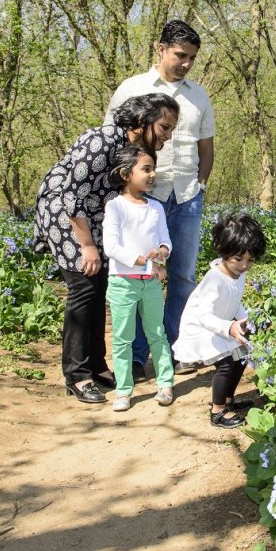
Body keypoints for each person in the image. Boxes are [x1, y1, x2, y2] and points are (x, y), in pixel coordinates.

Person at [34, 93, 179, 403]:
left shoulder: (131, 149)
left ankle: (97, 366)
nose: (168, 136)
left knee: (99, 286)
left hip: (93, 215)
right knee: (84, 287)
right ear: (142, 122)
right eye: (165, 127)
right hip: (64, 214)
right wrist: (86, 245)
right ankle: (77, 375)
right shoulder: (101, 140)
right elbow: (71, 196)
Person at [104, 20, 214, 382]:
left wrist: (200, 183)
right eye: (180, 55)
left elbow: (206, 146)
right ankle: (136, 357)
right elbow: (113, 139)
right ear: (161, 48)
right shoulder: (132, 88)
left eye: (192, 58)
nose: (185, 63)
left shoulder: (199, 96)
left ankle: (174, 348)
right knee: (139, 275)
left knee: (182, 275)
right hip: (143, 196)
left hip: (185, 197)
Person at [173, 213, 266, 429]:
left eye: (250, 260)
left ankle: (229, 400)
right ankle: (217, 411)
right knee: (224, 363)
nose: (244, 266)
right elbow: (203, 315)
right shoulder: (214, 278)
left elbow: (235, 301)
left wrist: (246, 319)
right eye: (238, 259)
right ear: (224, 252)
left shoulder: (238, 274)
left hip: (222, 324)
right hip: (202, 328)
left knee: (241, 356)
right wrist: (229, 326)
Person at [102, 145, 176, 411]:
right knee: (123, 338)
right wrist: (142, 260)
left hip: (152, 284)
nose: (152, 174)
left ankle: (165, 384)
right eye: (146, 169)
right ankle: (123, 391)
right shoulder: (115, 207)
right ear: (125, 173)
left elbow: (165, 240)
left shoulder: (155, 207)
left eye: (153, 168)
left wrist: (163, 253)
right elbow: (111, 247)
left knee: (157, 334)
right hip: (123, 283)